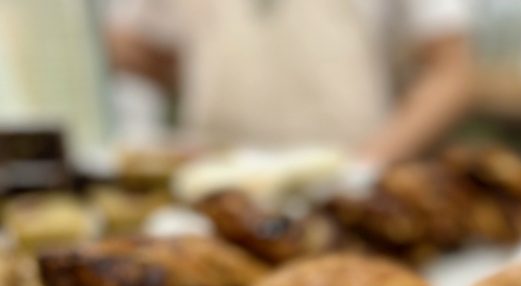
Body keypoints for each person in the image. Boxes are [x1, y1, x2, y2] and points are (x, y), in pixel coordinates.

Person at [106, 0, 474, 165]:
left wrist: (363, 168)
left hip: (345, 192)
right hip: (213, 187)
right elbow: (151, 53)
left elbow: (450, 71)